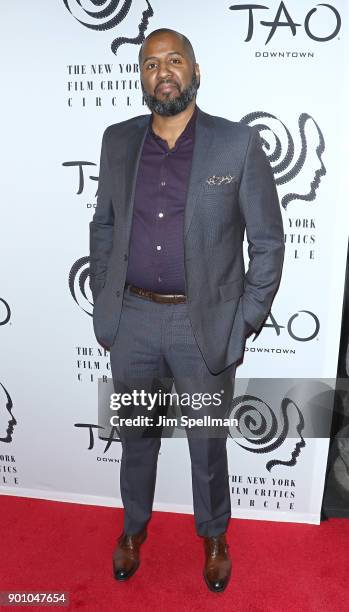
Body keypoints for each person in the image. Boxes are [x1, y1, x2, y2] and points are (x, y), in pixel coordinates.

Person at [89, 27, 285, 593]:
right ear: (142, 77)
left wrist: (243, 318)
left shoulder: (236, 144)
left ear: (196, 72)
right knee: (136, 437)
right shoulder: (117, 141)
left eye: (175, 61)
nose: (164, 72)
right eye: (152, 64)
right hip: (132, 320)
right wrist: (107, 294)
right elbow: (103, 225)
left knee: (206, 442)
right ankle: (132, 531)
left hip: (201, 327)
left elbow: (267, 243)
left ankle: (215, 536)